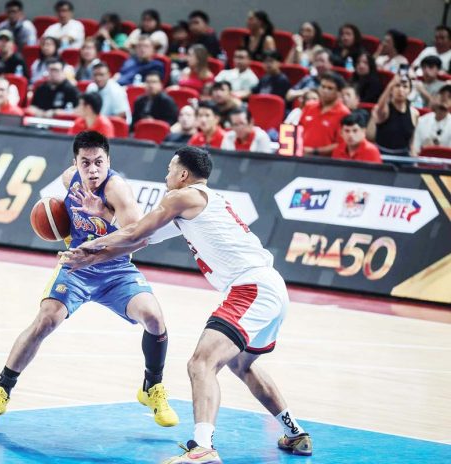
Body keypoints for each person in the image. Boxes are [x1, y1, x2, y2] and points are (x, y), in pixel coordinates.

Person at [60, 146, 312, 463]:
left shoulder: (182, 196)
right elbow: (137, 239)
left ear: (182, 175)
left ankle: (202, 448)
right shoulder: (196, 203)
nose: (165, 175)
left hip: (252, 288)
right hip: (270, 288)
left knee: (200, 363)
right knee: (240, 364)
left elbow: (136, 229)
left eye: (169, 169)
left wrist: (89, 246)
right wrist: (102, 227)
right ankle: (295, 433)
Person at [0, 130, 178, 429]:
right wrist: (63, 230)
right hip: (77, 266)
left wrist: (105, 218)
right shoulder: (70, 178)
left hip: (115, 269)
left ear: (108, 161)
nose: (93, 170)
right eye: (86, 163)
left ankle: (152, 387)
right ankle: (0, 390)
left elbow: (140, 239)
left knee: (154, 317)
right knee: (46, 319)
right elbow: (63, 213)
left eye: (99, 162)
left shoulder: (117, 190)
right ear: (76, 163)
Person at [300, 72, 351, 157]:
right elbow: (299, 130)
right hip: (302, 157)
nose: (324, 90)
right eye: (322, 86)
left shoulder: (344, 113)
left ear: (339, 92)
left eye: (330, 88)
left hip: (326, 163)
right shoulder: (309, 106)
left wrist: (314, 151)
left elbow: (342, 144)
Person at [367, 74, 418, 156]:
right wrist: (390, 85)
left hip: (403, 156)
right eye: (397, 86)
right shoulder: (385, 109)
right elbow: (380, 106)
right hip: (383, 155)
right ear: (391, 89)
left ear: (409, 91)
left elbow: (411, 141)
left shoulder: (414, 113)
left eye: (405, 87)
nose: (401, 90)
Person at [410, 85, 451, 156]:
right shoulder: (421, 121)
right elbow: (415, 149)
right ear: (436, 97)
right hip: (422, 162)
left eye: (449, 97)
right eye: (442, 95)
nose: (445, 99)